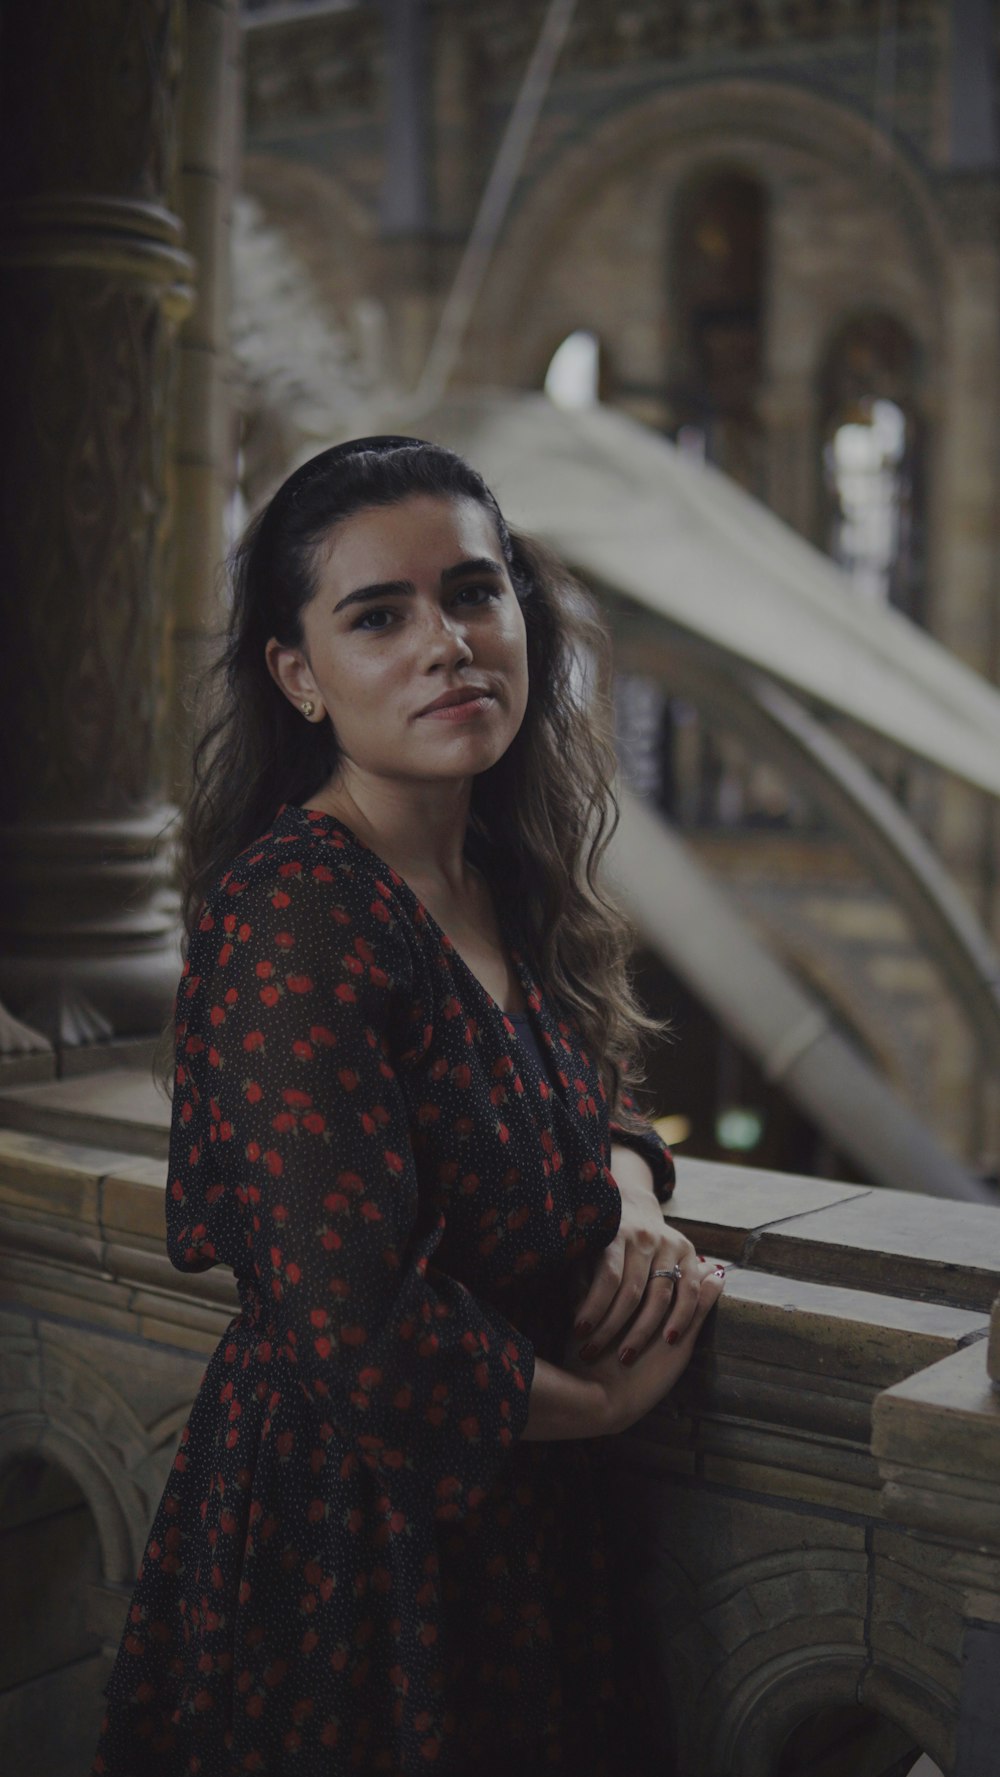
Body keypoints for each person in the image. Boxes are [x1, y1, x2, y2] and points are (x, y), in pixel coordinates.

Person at [90, 435, 726, 1777]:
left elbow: (576, 1097)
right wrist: (606, 1405)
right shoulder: (299, 912)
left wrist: (628, 1207)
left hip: (529, 1540)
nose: (447, 642)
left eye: (474, 592)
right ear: (298, 675)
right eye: (379, 615)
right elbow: (359, 1330)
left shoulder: (503, 868)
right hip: (355, 1557)